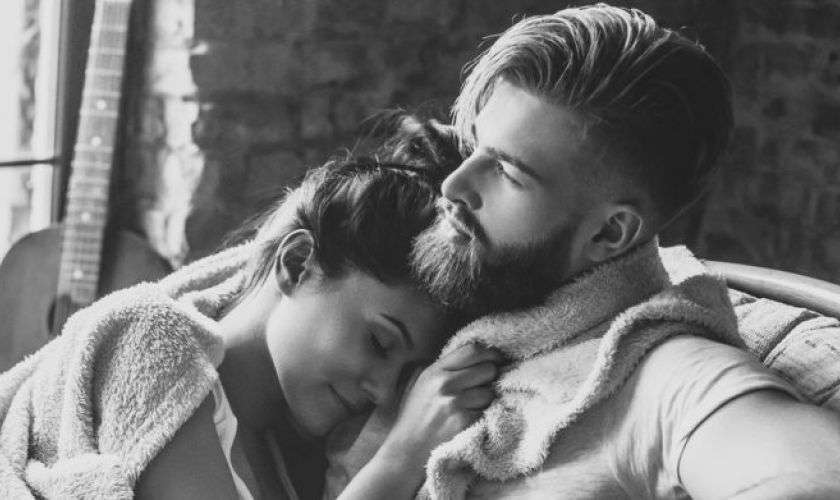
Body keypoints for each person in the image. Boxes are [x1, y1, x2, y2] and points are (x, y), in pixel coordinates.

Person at [332, 4, 840, 499]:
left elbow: (818, 479)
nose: (454, 185)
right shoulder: (468, 310)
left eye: (507, 172)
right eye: (474, 147)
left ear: (608, 234)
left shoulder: (662, 374)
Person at [0, 118, 502, 499]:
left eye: (406, 374)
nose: (383, 390)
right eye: (379, 342)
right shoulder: (153, 338)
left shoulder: (294, 462)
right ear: (297, 263)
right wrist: (401, 458)